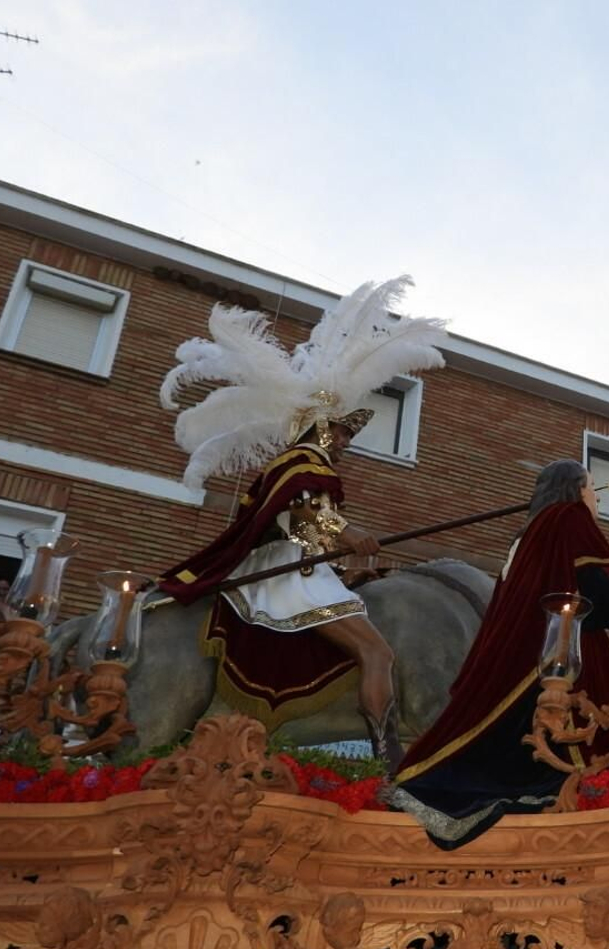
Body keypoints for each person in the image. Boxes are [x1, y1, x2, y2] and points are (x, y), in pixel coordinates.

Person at [153, 277, 447, 767]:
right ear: (321, 428)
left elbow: (303, 525)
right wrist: (350, 536)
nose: (346, 441)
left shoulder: (295, 467)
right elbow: (303, 522)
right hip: (288, 574)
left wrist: (350, 558)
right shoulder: (305, 464)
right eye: (341, 431)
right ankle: (387, 754)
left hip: (296, 568)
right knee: (379, 655)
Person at [390, 460, 609, 848]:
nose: (596, 498)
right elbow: (592, 588)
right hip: (559, 656)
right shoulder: (568, 518)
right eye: (592, 487)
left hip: (531, 654)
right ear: (575, 490)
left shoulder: (528, 535)